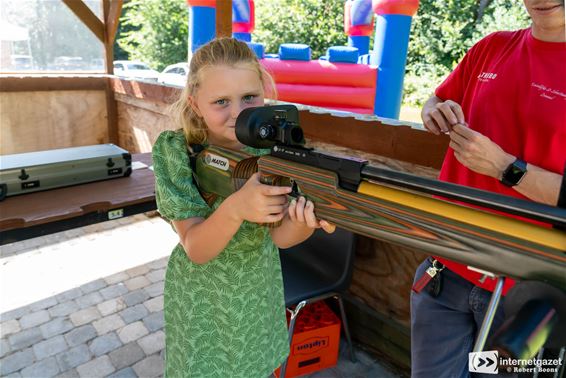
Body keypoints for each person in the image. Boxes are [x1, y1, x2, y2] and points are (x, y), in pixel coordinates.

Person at [152, 38, 335, 377]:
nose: (239, 113)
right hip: (202, 299)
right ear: (194, 103)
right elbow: (196, 248)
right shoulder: (176, 150)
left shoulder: (275, 150)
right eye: (221, 101)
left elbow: (281, 237)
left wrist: (306, 220)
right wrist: (236, 208)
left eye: (249, 97)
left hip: (257, 289)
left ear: (264, 92)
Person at [410, 1, 565, 376]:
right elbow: (439, 98)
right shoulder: (492, 46)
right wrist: (435, 110)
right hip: (444, 269)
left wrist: (504, 168)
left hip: (529, 297)